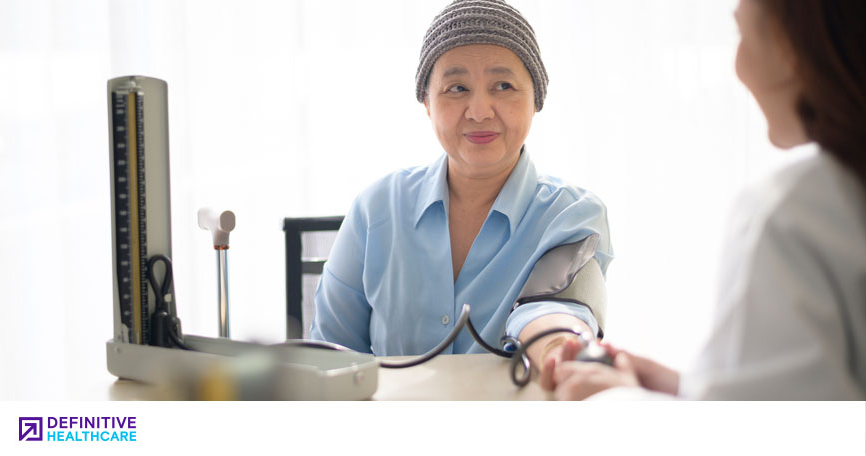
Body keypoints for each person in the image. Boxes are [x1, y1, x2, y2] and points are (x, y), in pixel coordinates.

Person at [550, 0, 866, 400]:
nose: (737, 67)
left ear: (790, 48)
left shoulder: (791, 215)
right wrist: (694, 392)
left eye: (743, 34)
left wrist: (617, 400)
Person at [310, 0, 613, 372]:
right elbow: (329, 358)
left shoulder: (572, 214)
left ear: (536, 99)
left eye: (503, 85)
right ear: (426, 102)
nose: (480, 110)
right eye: (456, 88)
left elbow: (556, 311)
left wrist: (557, 347)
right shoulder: (376, 208)